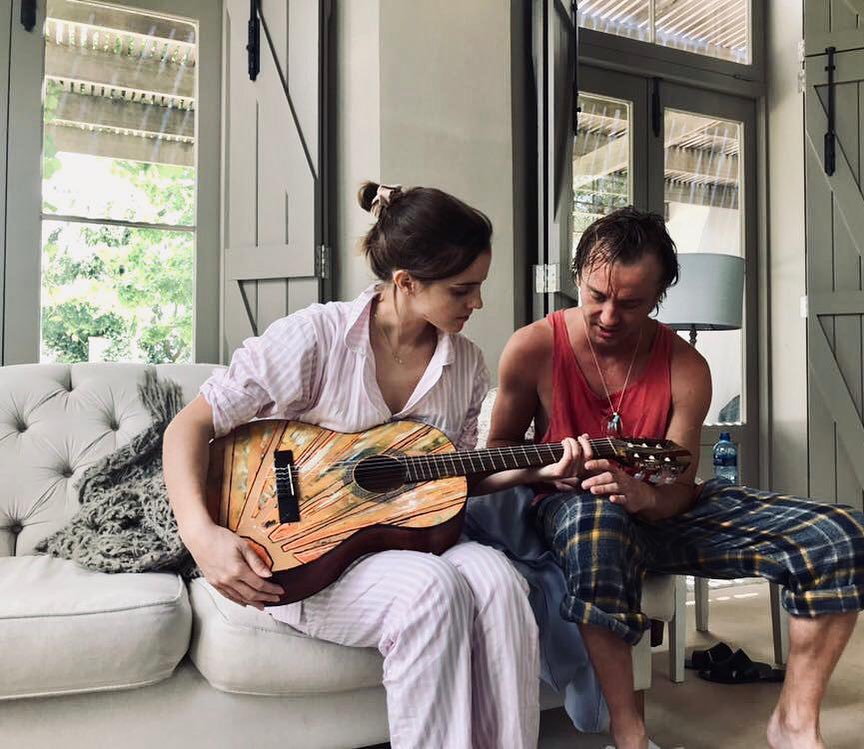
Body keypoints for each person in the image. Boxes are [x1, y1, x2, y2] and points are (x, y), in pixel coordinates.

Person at [164, 181, 583, 749]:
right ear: (406, 282)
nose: (478, 303)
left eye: (479, 286)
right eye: (463, 289)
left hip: (408, 538)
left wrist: (538, 469)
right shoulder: (316, 337)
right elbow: (188, 426)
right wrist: (202, 536)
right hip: (305, 552)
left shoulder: (465, 364)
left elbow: (451, 473)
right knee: (431, 588)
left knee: (501, 582)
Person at [488, 207, 864, 749]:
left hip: (664, 511)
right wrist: (547, 468)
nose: (608, 316)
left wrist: (644, 495)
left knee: (842, 535)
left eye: (630, 304)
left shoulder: (686, 367)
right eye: (596, 296)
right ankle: (630, 733)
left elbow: (678, 485)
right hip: (573, 511)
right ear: (577, 277)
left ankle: (794, 722)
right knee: (596, 524)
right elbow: (497, 452)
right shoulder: (533, 347)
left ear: (658, 296)